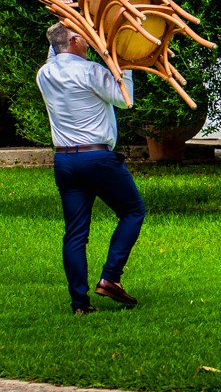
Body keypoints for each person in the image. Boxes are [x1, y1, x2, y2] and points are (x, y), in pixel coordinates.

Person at [37, 22, 145, 313]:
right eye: (82, 35)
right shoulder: (90, 71)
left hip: (64, 160)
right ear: (73, 40)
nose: (88, 40)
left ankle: (79, 303)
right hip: (97, 158)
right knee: (133, 211)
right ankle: (110, 277)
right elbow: (126, 100)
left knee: (75, 233)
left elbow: (55, 48)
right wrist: (124, 61)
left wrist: (60, 16)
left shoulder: (45, 73)